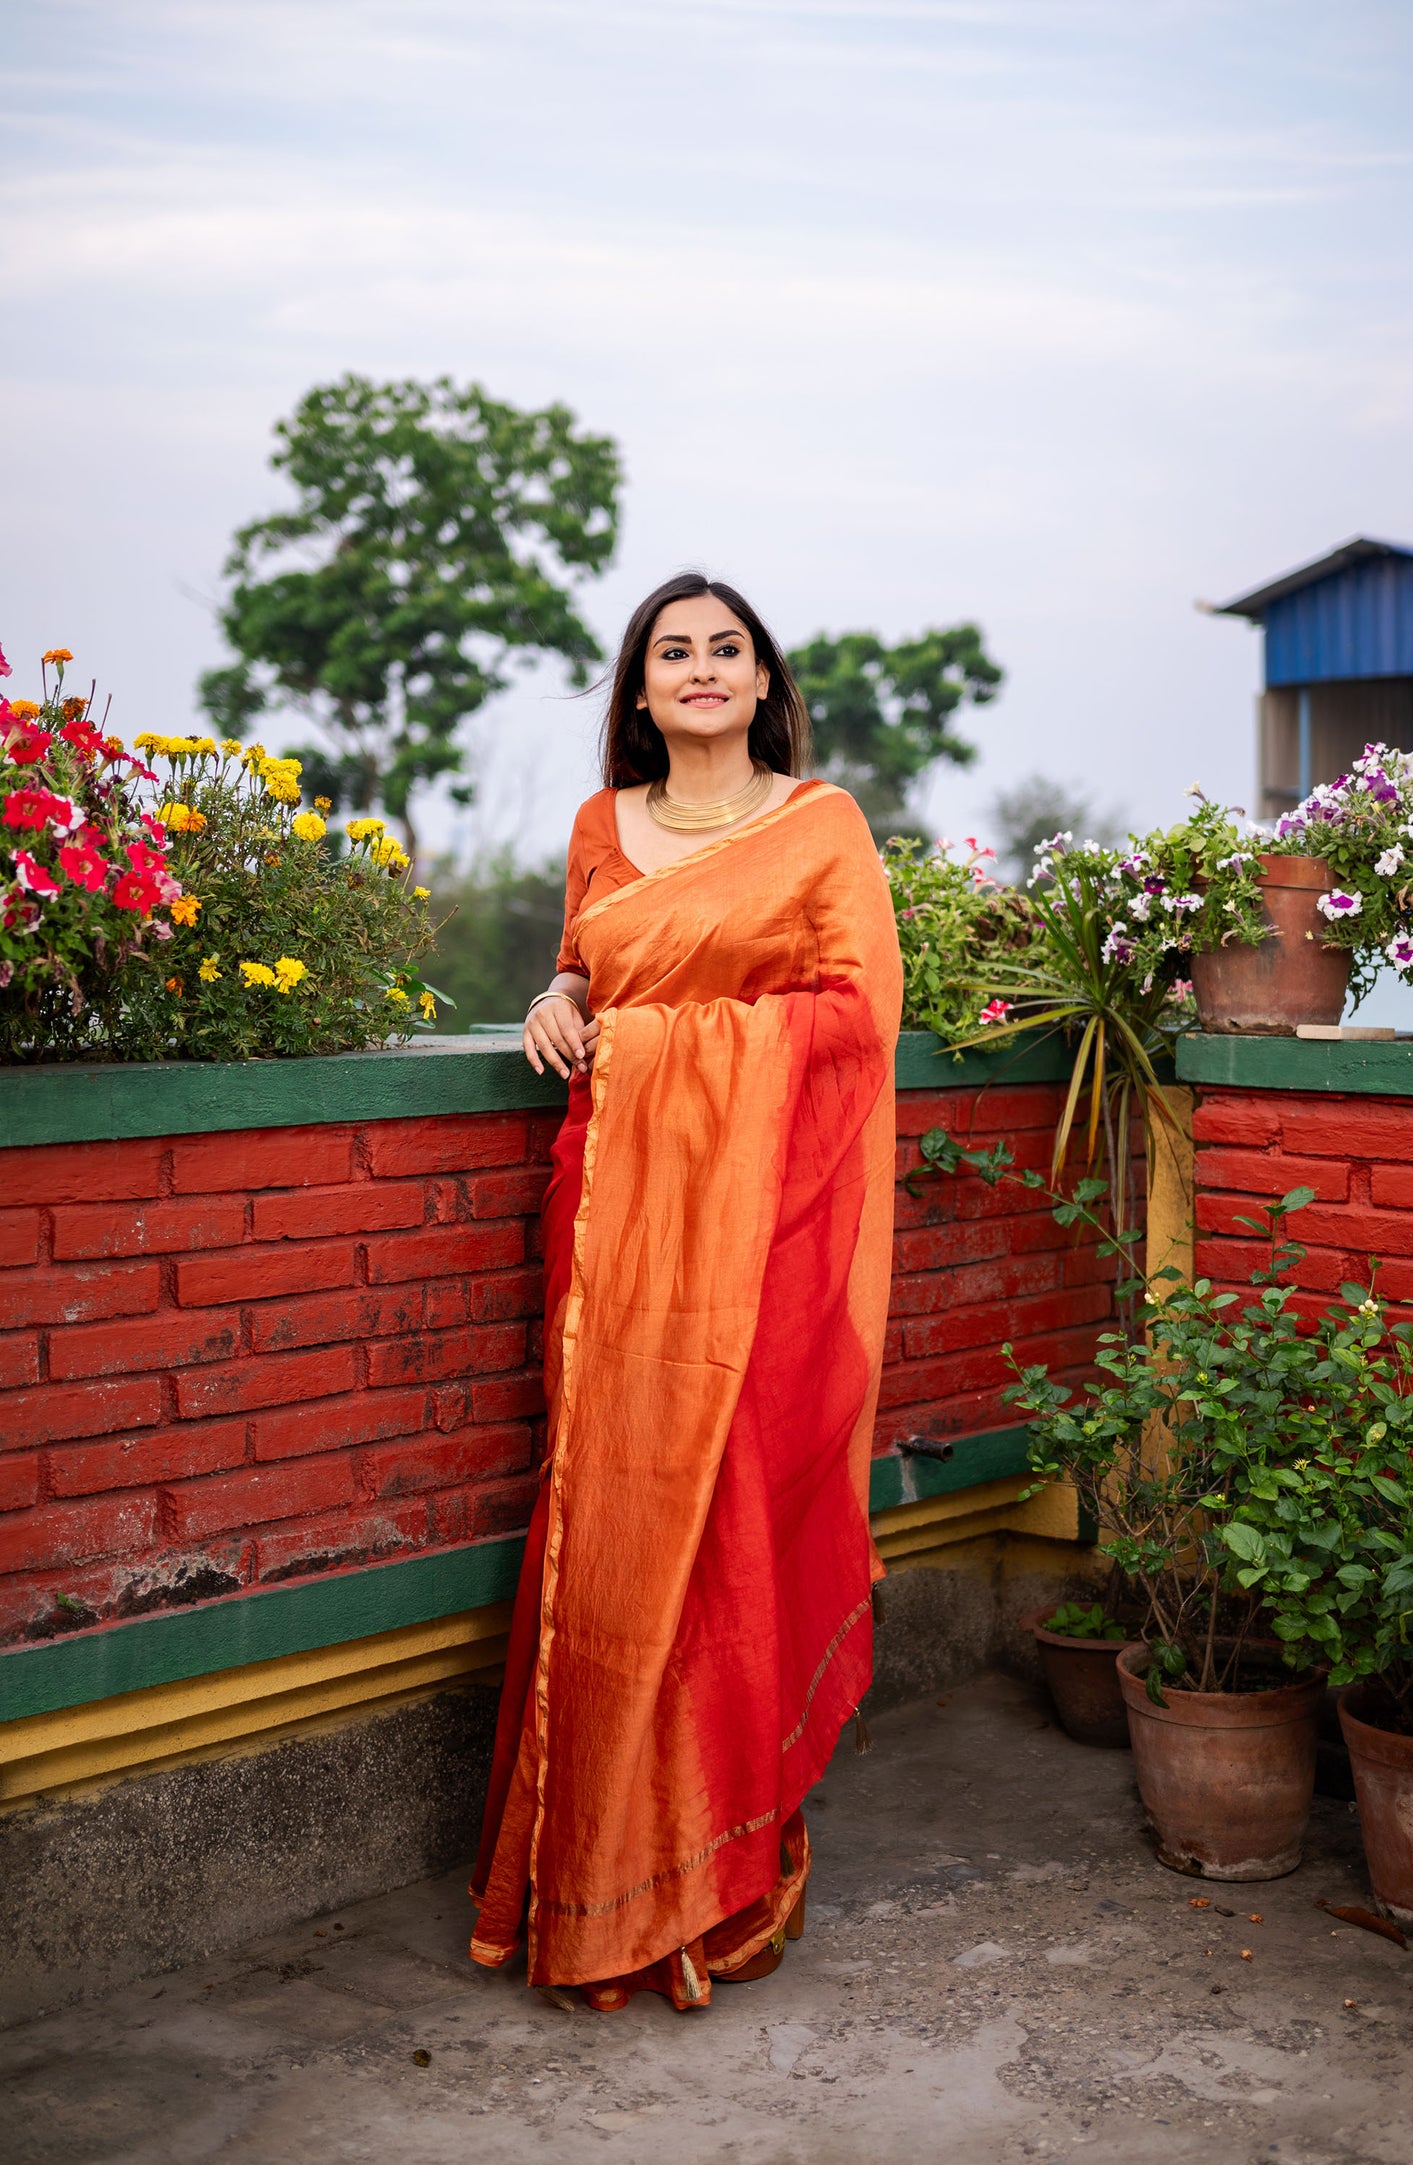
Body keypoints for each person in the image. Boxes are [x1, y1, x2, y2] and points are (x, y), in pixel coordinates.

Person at [468, 571, 903, 2012]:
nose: (702, 668)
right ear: (641, 693)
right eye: (675, 651)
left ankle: (727, 1868)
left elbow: (856, 1014)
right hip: (613, 1237)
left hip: (761, 1236)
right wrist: (564, 1005)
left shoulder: (820, 824)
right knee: (608, 1526)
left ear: (765, 683)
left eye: (728, 648)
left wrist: (672, 1047)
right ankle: (597, 1871)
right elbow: (586, 975)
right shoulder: (602, 829)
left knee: (732, 1538)